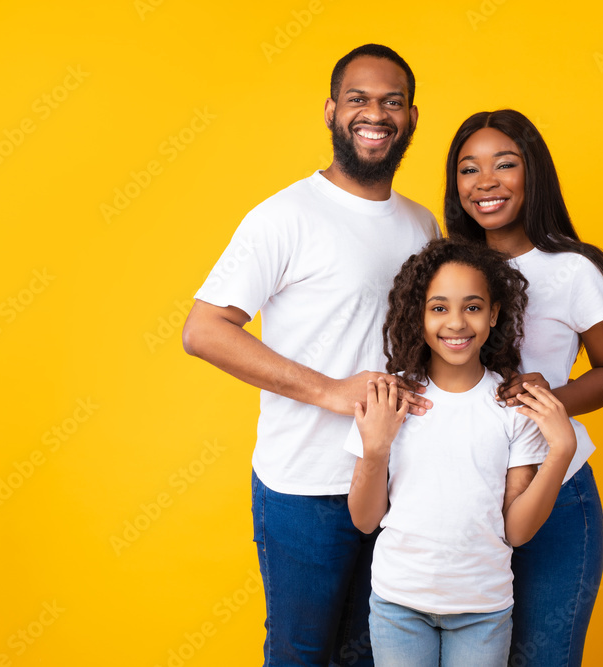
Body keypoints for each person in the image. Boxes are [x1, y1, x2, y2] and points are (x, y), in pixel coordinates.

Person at [182, 44, 439, 666]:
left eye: (391, 102)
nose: (375, 113)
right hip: (305, 487)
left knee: (371, 656)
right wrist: (331, 391)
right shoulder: (285, 216)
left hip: (396, 483)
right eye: (358, 99)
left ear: (409, 118)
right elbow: (204, 329)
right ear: (330, 111)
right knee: (300, 656)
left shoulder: (424, 223)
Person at [443, 109, 603, 667]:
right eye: (468, 169)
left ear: (534, 174)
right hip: (460, 500)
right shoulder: (446, 267)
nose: (485, 182)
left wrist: (548, 400)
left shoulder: (574, 271)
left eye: (505, 164)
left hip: (555, 498)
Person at [344, 238, 577, 666]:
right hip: (399, 603)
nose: (456, 322)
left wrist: (561, 451)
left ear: (494, 314)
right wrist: (375, 450)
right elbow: (364, 520)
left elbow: (518, 531)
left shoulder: (513, 408)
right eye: (438, 308)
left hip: (483, 610)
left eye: (472, 307)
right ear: (419, 315)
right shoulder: (390, 398)